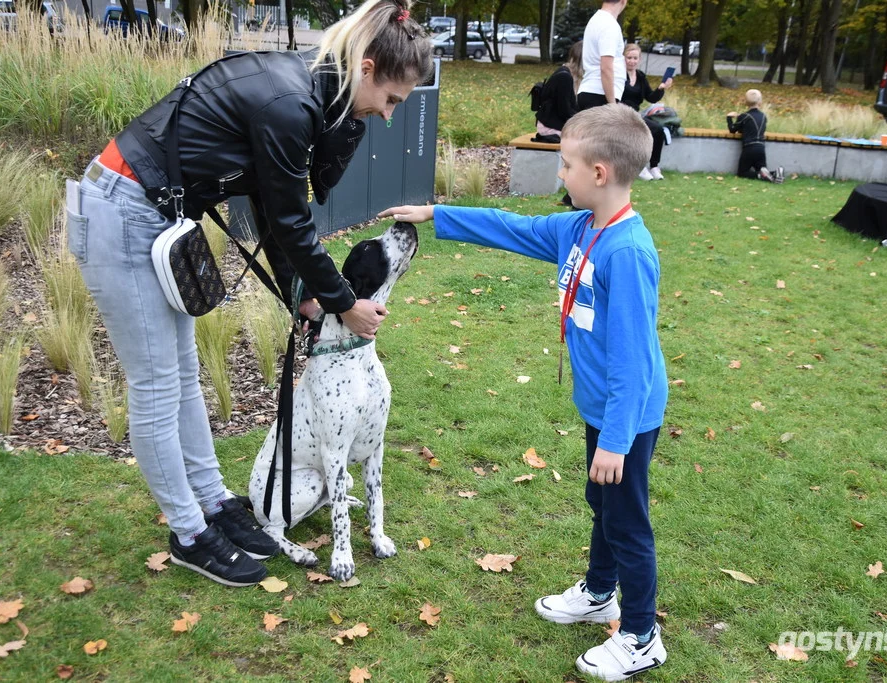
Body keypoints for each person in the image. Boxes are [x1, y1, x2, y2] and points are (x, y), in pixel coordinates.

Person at [65, 0, 433, 587]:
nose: (389, 116)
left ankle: (214, 503)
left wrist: (305, 298)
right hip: (122, 210)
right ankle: (190, 533)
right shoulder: (290, 103)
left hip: (157, 217)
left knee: (181, 374)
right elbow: (290, 223)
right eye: (391, 100)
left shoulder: (310, 95)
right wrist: (341, 301)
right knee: (158, 385)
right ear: (366, 68)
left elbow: (271, 209)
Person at [378, 103, 669, 681]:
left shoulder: (627, 252)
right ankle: (599, 593)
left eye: (565, 165)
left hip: (626, 419)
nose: (560, 175)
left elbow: (634, 363)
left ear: (600, 173)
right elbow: (512, 227)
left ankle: (641, 635)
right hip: (600, 409)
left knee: (627, 522)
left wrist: (615, 440)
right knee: (602, 508)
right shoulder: (580, 229)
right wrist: (436, 213)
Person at [619, 43, 673, 181]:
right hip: (620, 114)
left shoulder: (640, 76)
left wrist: (661, 88)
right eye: (629, 57)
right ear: (623, 58)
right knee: (639, 131)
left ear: (639, 59)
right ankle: (640, 166)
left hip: (635, 114)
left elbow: (651, 97)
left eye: (635, 58)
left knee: (658, 130)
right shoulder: (618, 74)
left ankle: (654, 166)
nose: (632, 61)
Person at [577, 0, 628, 110]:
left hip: (593, 92)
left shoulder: (596, 20)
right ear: (623, 1)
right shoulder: (609, 25)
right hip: (600, 96)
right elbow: (606, 67)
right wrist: (612, 105)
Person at [727, 88, 782, 182]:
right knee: (762, 169)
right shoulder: (764, 116)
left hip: (749, 148)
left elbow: (733, 130)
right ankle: (775, 173)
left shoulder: (744, 116)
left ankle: (761, 176)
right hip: (761, 147)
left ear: (746, 102)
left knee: (742, 173)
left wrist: (729, 118)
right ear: (760, 102)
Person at [535, 41, 583, 143]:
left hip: (555, 124)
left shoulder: (567, 72)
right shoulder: (564, 77)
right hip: (550, 128)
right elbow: (564, 110)